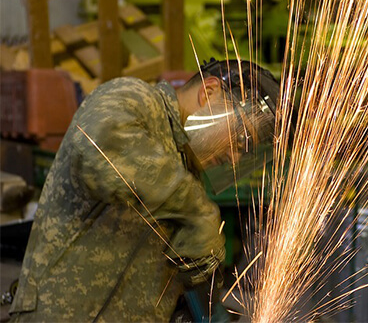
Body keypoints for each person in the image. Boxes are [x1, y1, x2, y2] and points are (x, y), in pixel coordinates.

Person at [9, 59, 279, 322]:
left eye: (246, 153)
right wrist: (197, 211)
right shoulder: (134, 98)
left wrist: (198, 302)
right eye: (241, 139)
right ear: (208, 92)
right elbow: (99, 151)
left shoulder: (184, 172)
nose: (235, 158)